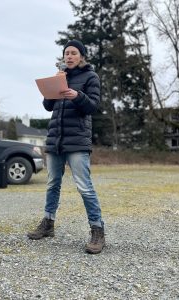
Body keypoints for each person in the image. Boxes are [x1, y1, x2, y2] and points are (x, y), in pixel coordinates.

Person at [27, 39, 105, 254]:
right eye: (66, 53)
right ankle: (48, 224)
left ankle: (97, 230)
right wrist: (52, 85)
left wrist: (77, 95)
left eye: (73, 53)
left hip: (77, 141)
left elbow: (93, 106)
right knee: (52, 184)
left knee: (84, 186)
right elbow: (48, 106)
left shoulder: (91, 77)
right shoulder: (60, 76)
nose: (69, 56)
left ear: (81, 56)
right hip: (55, 141)